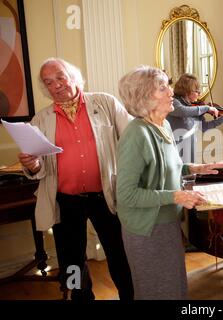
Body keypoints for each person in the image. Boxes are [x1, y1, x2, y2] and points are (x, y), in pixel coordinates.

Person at [18, 58, 134, 300]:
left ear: (73, 76)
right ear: (46, 88)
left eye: (60, 77)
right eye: (49, 82)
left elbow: (133, 140)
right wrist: (33, 164)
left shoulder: (105, 102)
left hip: (106, 195)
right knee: (71, 261)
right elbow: (38, 168)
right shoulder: (40, 120)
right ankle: (80, 298)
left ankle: (131, 296)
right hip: (66, 200)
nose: (57, 85)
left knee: (119, 253)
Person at [116, 66, 223, 300]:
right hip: (146, 228)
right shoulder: (137, 134)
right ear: (144, 97)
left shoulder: (163, 124)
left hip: (166, 220)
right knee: (157, 292)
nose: (171, 92)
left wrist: (196, 168)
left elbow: (168, 168)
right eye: (162, 88)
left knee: (175, 288)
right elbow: (126, 195)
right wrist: (175, 196)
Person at [166, 73, 223, 163]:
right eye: (197, 91)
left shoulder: (196, 109)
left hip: (191, 151)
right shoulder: (174, 102)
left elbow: (204, 127)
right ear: (187, 91)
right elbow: (183, 111)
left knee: (191, 175)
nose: (199, 94)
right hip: (175, 150)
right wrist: (207, 108)